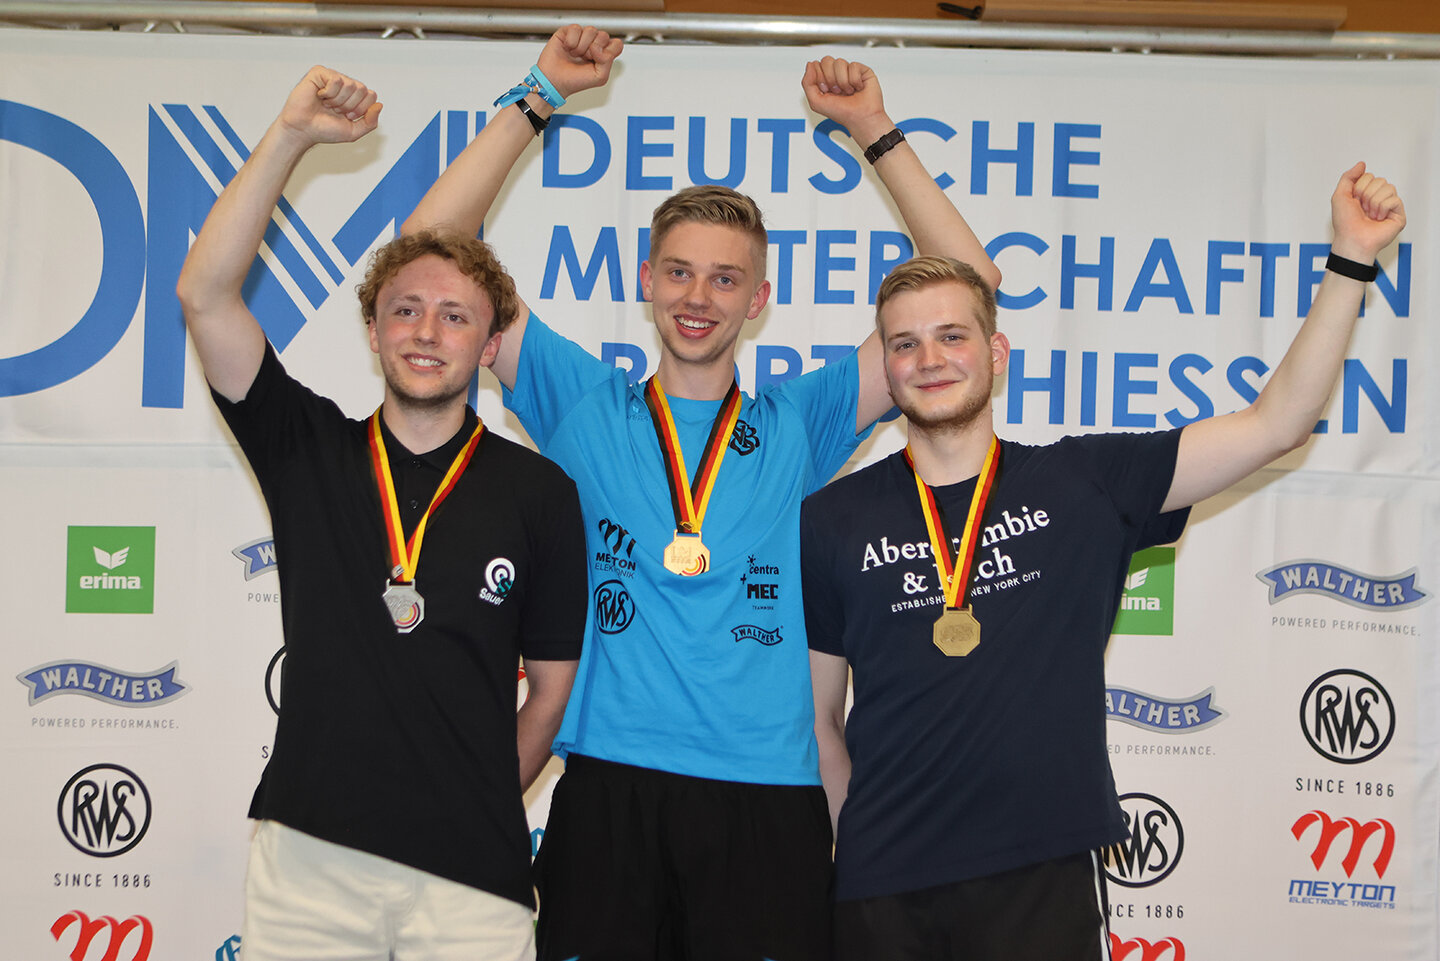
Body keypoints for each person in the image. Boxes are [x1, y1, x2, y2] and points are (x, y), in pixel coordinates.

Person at [403, 25, 1001, 961]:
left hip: (768, 795)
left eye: (726, 279)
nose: (698, 297)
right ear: (647, 280)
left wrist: (873, 129)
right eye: (678, 272)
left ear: (757, 300)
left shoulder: (802, 419)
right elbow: (429, 250)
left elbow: (972, 283)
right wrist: (540, 94)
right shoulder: (582, 402)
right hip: (609, 784)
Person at [802, 164, 1406, 960]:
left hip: (1041, 870)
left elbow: (1277, 422)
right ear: (887, 366)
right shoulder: (832, 518)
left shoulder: (1084, 482)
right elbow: (819, 720)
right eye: (905, 343)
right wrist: (852, 847)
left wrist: (1351, 258)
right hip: (882, 885)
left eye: (952, 335)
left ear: (996, 351)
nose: (930, 358)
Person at [175, 66, 588, 961]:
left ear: (489, 342)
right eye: (405, 310)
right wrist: (290, 135)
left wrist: (476, 800)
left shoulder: (541, 492)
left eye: (454, 316)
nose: (427, 331)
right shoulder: (305, 448)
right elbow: (205, 294)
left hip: (474, 873)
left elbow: (553, 691)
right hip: (309, 859)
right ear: (372, 331)